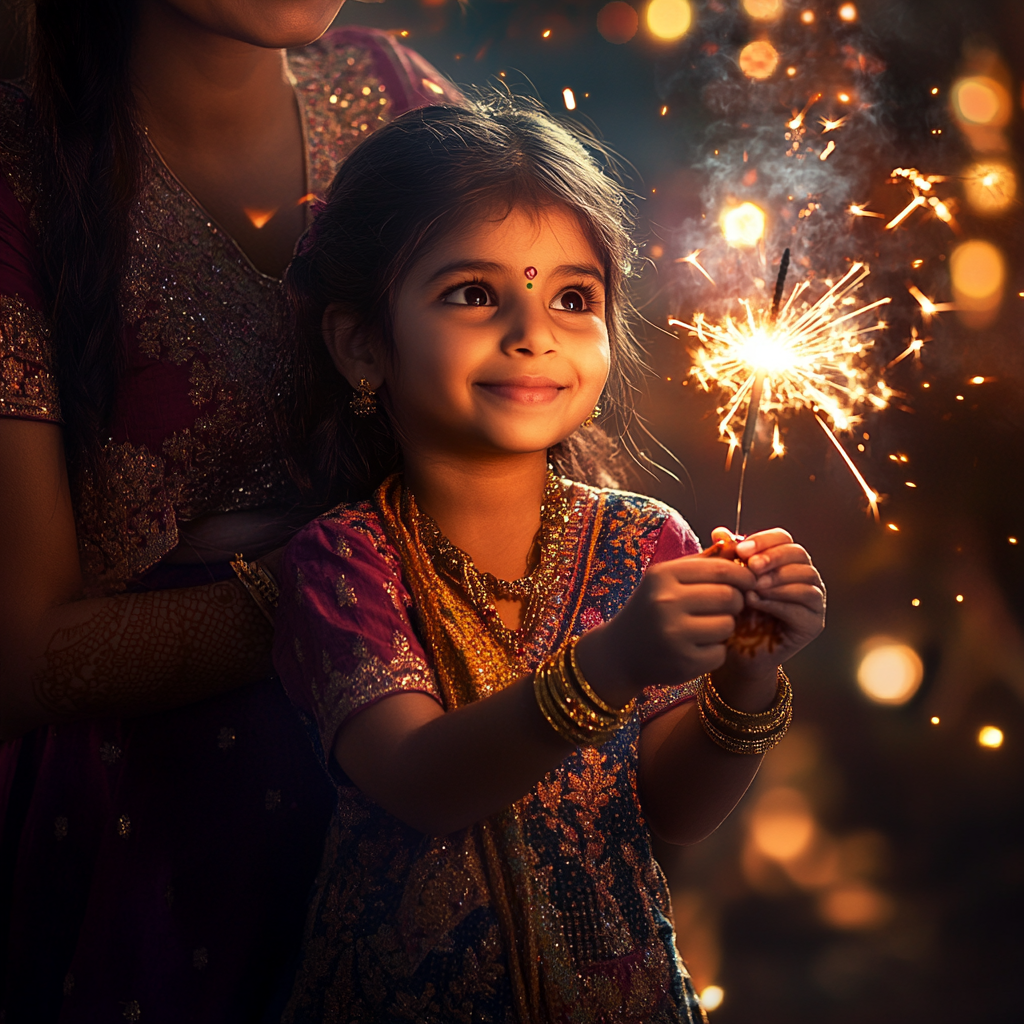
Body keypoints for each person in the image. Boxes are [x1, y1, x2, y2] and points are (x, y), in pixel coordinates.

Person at [274, 97, 827, 1024]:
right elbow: (421, 783)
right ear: (361, 341)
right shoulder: (342, 560)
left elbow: (675, 815)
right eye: (474, 293)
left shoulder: (646, 543)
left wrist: (748, 675)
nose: (534, 333)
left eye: (573, 298)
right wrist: (612, 664)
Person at [0, 1, 457, 1020]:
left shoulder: (392, 97)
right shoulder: (19, 178)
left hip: (423, 801)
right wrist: (355, 590)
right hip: (139, 850)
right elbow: (21, 657)